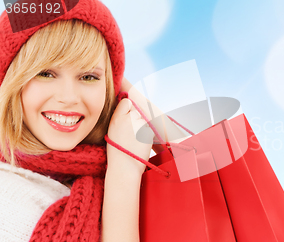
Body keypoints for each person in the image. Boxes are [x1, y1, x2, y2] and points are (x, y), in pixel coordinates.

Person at [0, 0, 166, 241]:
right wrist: (124, 174)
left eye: (88, 76)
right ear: (10, 81)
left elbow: (213, 175)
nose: (68, 98)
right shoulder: (9, 198)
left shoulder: (112, 163)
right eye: (46, 73)